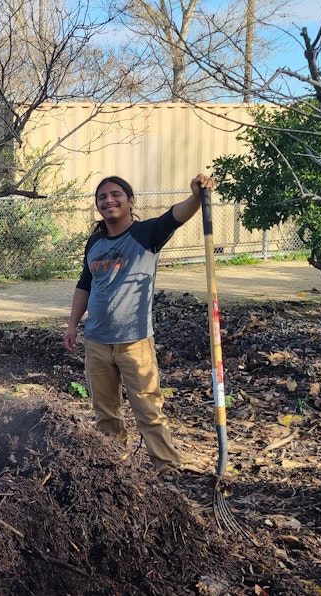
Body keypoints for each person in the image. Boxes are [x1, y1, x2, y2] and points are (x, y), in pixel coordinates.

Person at [63, 173, 214, 478]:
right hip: (96, 341)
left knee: (148, 410)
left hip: (134, 341)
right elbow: (85, 284)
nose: (109, 200)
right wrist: (72, 325)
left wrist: (197, 196)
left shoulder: (146, 234)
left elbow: (175, 216)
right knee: (105, 413)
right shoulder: (95, 242)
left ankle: (167, 468)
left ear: (131, 201)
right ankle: (113, 467)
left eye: (116, 194)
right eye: (102, 197)